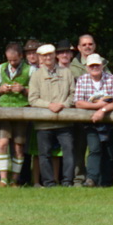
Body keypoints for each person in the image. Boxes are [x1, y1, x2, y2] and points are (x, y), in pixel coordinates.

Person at [27, 44, 75, 187]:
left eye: (50, 54)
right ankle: (48, 182)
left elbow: (73, 94)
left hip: (65, 120)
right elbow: (33, 99)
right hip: (43, 122)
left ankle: (67, 181)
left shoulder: (67, 72)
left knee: (69, 152)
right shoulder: (36, 76)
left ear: (55, 55)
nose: (48, 57)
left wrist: (63, 105)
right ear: (40, 58)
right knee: (44, 154)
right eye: (44, 55)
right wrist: (49, 105)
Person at [72, 53, 113, 186]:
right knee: (94, 149)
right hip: (90, 122)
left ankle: (105, 181)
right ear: (87, 67)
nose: (94, 67)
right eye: (92, 65)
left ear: (102, 65)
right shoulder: (82, 80)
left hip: (110, 122)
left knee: (108, 152)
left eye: (97, 65)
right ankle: (91, 179)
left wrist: (102, 111)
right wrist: (97, 106)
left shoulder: (112, 79)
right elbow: (78, 102)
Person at [0, 42, 32, 186]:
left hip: (22, 110)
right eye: (9, 60)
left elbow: (35, 91)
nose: (12, 62)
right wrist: (1, 89)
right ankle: (3, 179)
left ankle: (15, 179)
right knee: (2, 143)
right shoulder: (1, 68)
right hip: (4, 110)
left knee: (18, 146)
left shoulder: (30, 69)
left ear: (21, 56)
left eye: (14, 60)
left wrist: (23, 89)